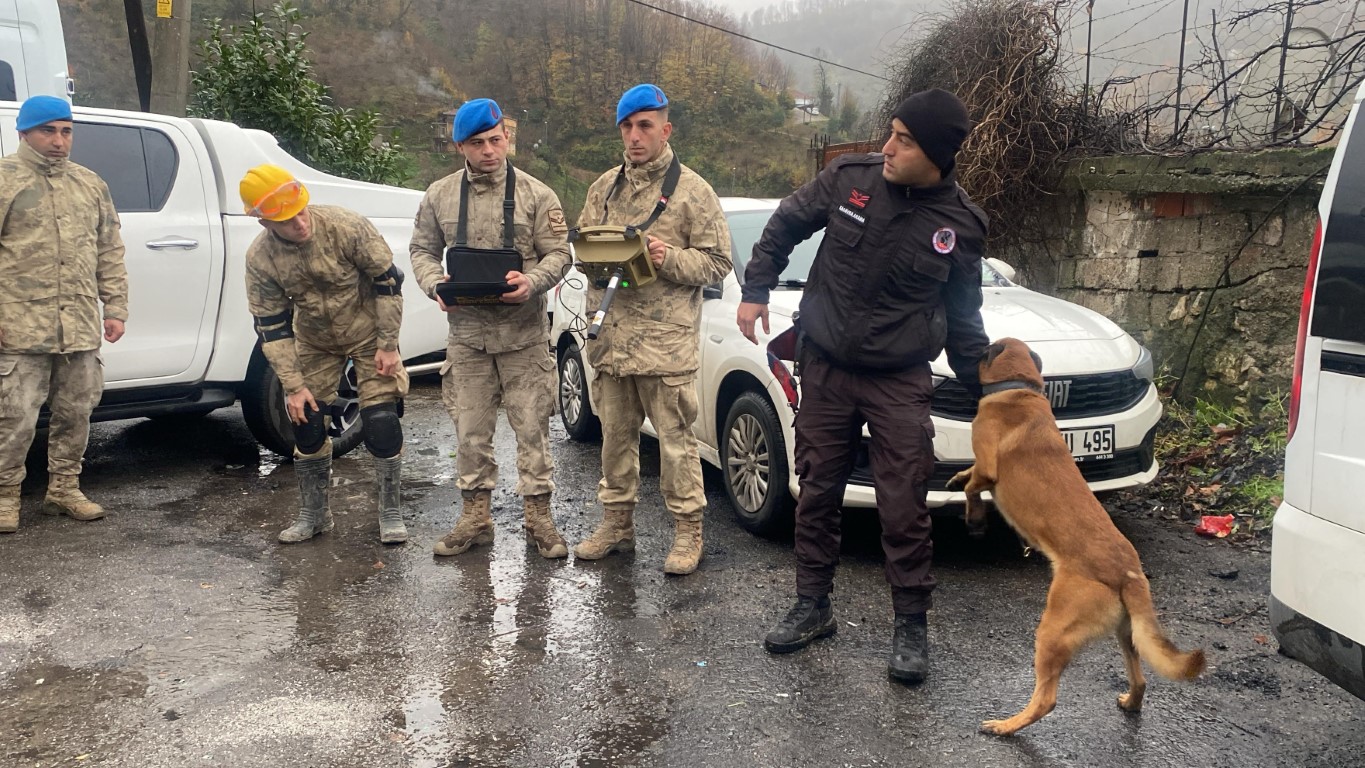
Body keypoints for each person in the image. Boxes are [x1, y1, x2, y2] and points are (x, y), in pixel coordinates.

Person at [737, 88, 990, 683]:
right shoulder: (849, 179)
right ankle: (812, 604)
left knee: (904, 503)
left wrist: (991, 397)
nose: (888, 147)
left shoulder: (960, 225)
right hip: (826, 363)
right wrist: (756, 288)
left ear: (935, 152)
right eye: (891, 132)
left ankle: (911, 625)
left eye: (904, 139)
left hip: (899, 377)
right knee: (818, 487)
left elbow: (965, 318)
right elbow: (784, 224)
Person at [573, 84, 733, 575]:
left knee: (676, 443)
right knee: (614, 440)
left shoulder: (693, 191)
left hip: (665, 345)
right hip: (612, 340)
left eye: (645, 125)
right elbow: (584, 246)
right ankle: (617, 526)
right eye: (627, 126)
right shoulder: (603, 187)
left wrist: (669, 257)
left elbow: (719, 263)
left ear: (666, 129)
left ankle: (688, 533)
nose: (635, 136)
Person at [409, 98, 573, 559]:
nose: (489, 150)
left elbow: (560, 253)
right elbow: (421, 249)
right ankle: (475, 520)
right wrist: (432, 283)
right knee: (470, 432)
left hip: (523, 338)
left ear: (507, 137)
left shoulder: (537, 195)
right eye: (477, 143)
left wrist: (534, 280)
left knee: (533, 430)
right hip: (467, 339)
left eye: (495, 140)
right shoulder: (439, 195)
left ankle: (539, 520)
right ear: (460, 145)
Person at [242, 164, 410, 545]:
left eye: (301, 211)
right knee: (306, 420)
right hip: (314, 338)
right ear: (264, 222)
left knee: (381, 419)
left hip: (368, 330)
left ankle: (390, 510)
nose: (300, 223)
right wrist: (293, 385)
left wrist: (388, 346)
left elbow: (388, 283)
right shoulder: (260, 259)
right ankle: (315, 514)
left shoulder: (345, 226)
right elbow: (271, 327)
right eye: (286, 220)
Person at [0, 95, 129, 535]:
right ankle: (4, 496)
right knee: (14, 415)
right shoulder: (4, 180)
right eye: (48, 131)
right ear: (24, 133)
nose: (59, 141)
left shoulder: (90, 184)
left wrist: (115, 307)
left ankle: (64, 489)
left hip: (78, 325)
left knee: (76, 411)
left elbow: (109, 250)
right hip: (18, 326)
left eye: (66, 131)